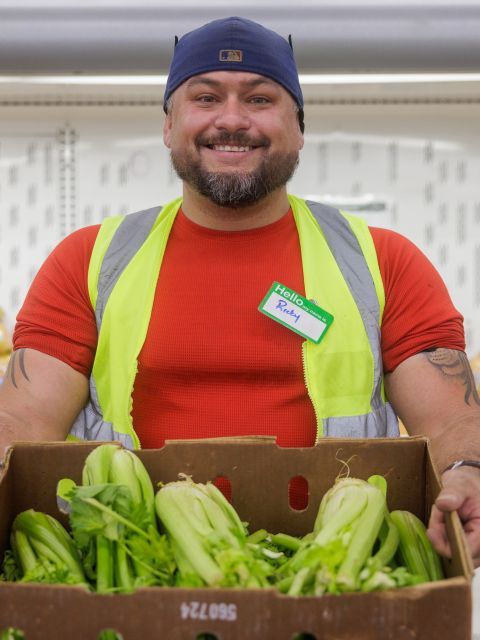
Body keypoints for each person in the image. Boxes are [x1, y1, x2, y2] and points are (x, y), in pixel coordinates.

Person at [0, 16, 479, 568]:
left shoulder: (382, 262)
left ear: (298, 126)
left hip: (333, 570)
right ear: (168, 124)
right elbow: (24, 420)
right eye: (206, 97)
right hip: (138, 570)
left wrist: (469, 472)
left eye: (259, 98)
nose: (232, 119)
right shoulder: (90, 261)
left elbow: (450, 418)